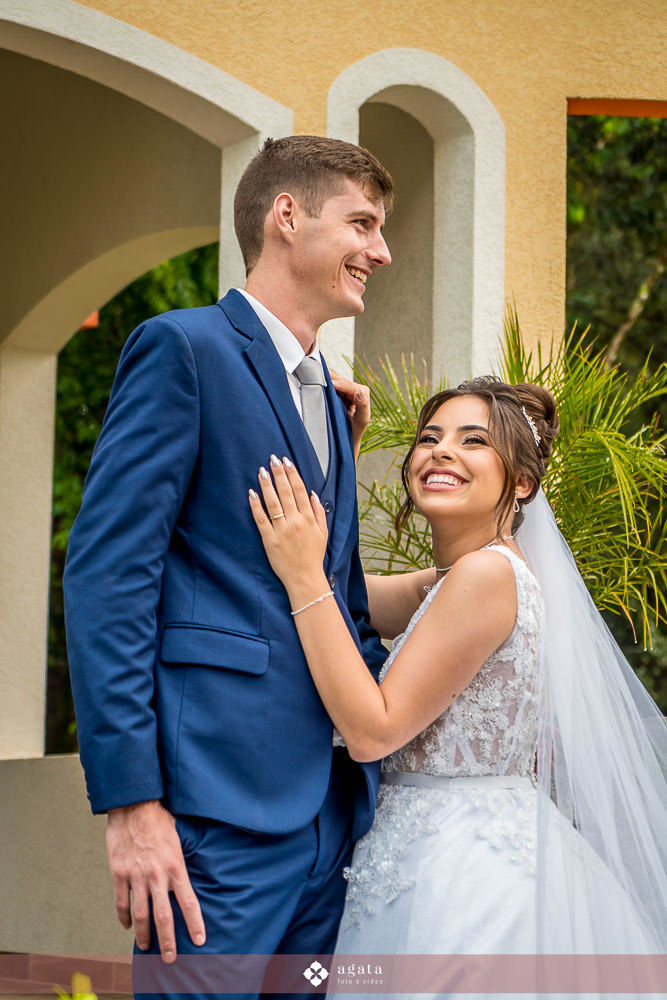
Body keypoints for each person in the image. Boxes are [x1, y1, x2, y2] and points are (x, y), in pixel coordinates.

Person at [62, 135, 393, 998]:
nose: (380, 251)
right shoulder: (184, 349)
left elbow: (338, 595)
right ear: (286, 216)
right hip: (217, 814)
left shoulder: (332, 399)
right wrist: (133, 804)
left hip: (332, 818)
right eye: (361, 224)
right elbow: (108, 578)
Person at [250, 376, 667, 997]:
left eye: (474, 440)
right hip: (432, 847)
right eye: (429, 438)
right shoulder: (459, 578)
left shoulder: (484, 577)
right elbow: (350, 592)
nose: (442, 450)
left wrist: (303, 575)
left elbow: (373, 730)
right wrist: (338, 456)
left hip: (461, 874)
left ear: (521, 483)